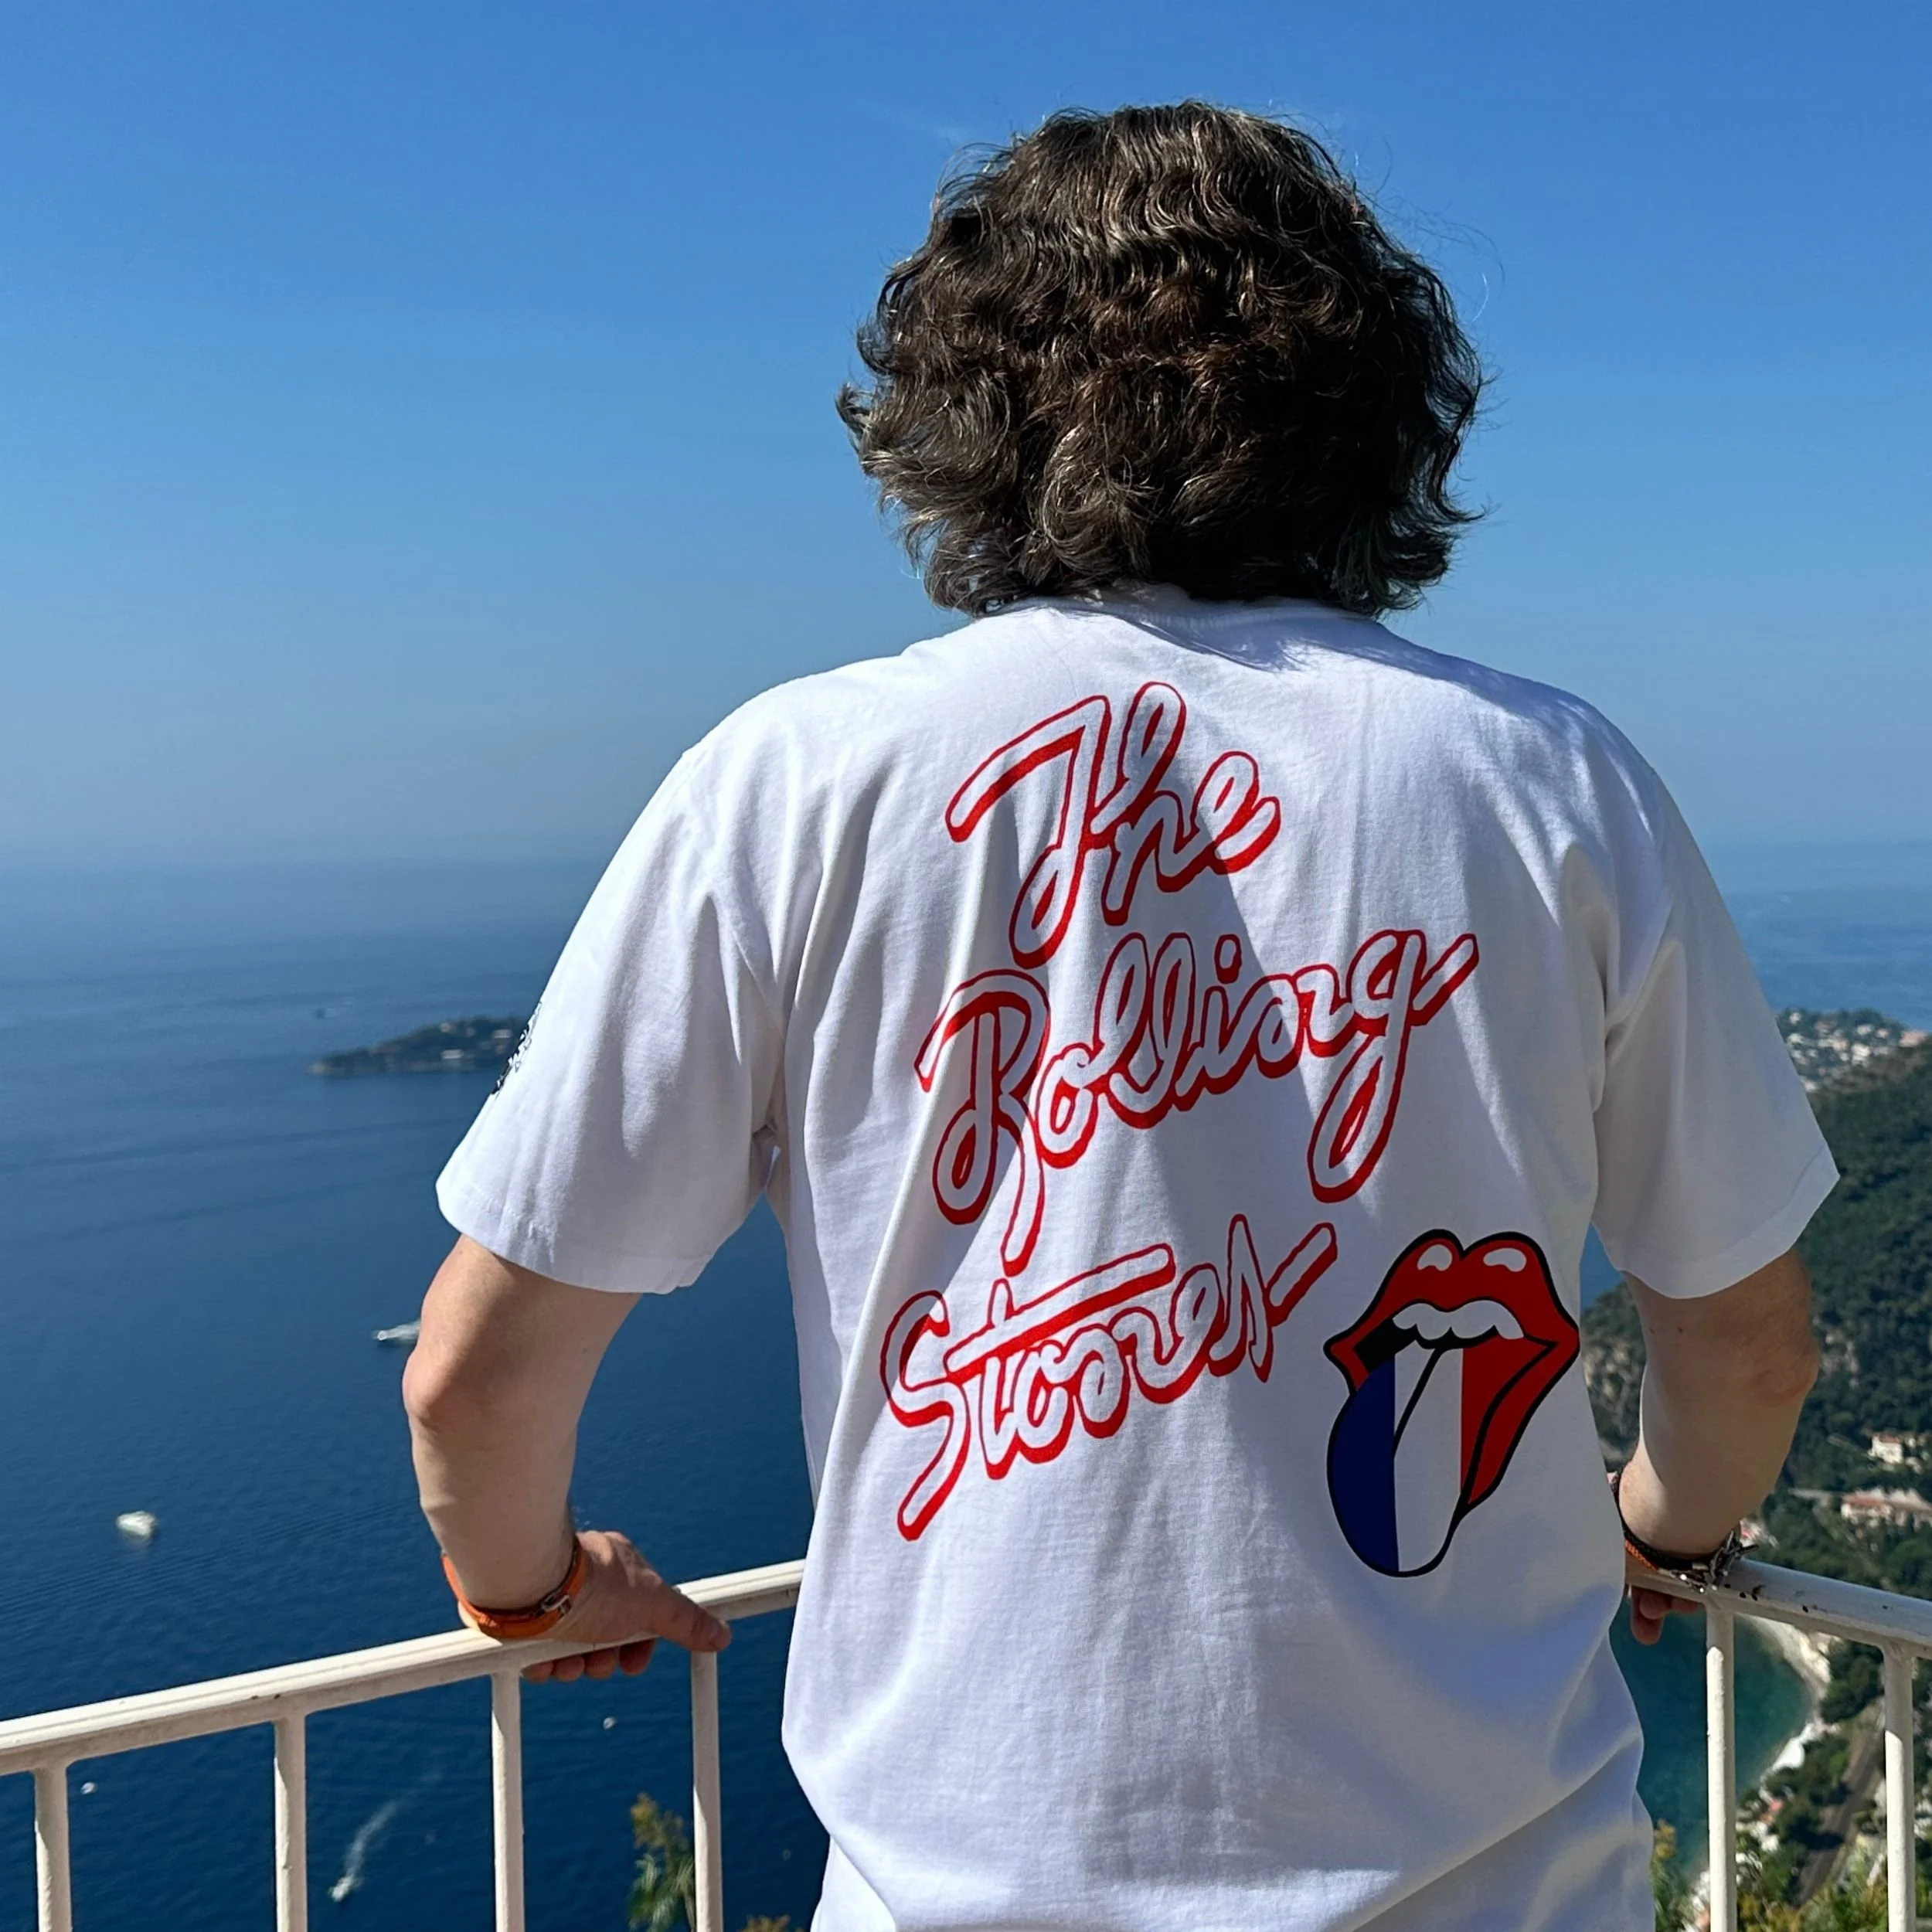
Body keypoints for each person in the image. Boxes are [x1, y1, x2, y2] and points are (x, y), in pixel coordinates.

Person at [403, 102, 1831, 1932]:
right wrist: (1663, 1532)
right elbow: (1746, 1345)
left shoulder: (793, 780)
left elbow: (476, 1368)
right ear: (1370, 416)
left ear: (953, 419)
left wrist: (530, 1593)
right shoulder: (1552, 783)